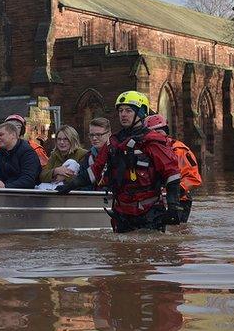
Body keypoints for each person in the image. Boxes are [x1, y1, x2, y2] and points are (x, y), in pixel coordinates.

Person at [87, 91, 183, 232]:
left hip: (149, 212)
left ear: (141, 113)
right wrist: (70, 184)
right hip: (121, 212)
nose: (123, 114)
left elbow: (172, 174)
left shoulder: (152, 141)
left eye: (128, 110)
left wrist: (173, 205)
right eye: (120, 111)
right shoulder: (113, 142)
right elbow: (95, 170)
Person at [145, 114, 202, 221]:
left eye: (158, 132)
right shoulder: (146, 150)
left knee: (176, 231)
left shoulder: (179, 150)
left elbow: (193, 178)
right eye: (152, 133)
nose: (155, 136)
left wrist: (176, 190)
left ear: (165, 132)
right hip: (154, 200)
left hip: (179, 199)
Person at [0, 122, 42, 189]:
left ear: (13, 135)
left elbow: (28, 180)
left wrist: (5, 187)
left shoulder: (28, 153)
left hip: (25, 196)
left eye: (1, 135)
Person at [61, 117, 111, 190]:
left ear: (109, 134)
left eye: (98, 135)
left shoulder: (116, 154)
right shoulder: (89, 156)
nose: (94, 138)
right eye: (91, 135)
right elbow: (83, 179)